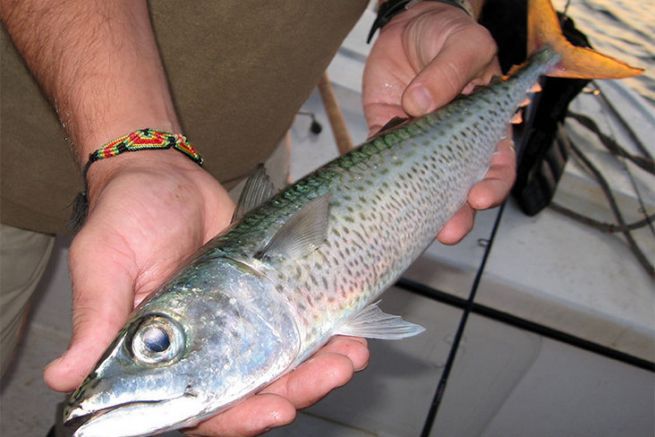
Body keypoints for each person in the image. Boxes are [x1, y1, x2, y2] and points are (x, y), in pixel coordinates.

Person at [0, 0, 515, 435]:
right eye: (158, 343)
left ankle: (540, 67)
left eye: (156, 342)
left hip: (248, 161)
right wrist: (142, 155)